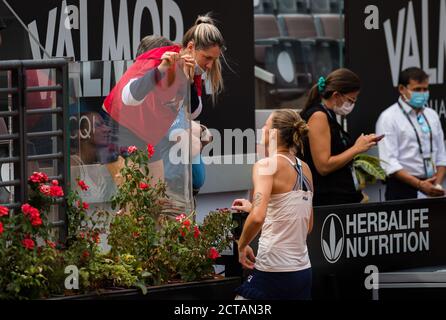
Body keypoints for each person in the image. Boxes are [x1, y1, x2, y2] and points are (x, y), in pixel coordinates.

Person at [231, 109, 314, 300]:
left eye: (266, 124)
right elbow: (306, 225)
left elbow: (258, 217)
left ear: (274, 133)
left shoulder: (266, 166)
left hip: (273, 269)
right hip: (302, 271)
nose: (262, 128)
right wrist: (253, 208)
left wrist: (242, 246)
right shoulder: (306, 169)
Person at [300, 68, 377, 206]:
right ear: (336, 95)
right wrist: (357, 148)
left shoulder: (330, 115)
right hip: (328, 201)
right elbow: (323, 166)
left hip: (342, 197)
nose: (352, 105)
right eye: (350, 100)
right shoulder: (319, 116)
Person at [376, 67, 446, 200]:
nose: (422, 93)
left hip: (433, 186)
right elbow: (389, 163)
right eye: (417, 89)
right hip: (402, 189)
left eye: (425, 89)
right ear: (402, 89)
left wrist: (436, 185)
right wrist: (420, 184)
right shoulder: (388, 118)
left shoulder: (432, 115)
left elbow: (442, 155)